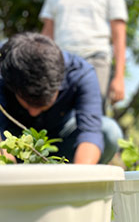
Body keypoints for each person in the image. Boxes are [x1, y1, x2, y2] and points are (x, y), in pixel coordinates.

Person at [0, 32, 123, 164]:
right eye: (28, 103)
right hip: (13, 141)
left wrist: (77, 180)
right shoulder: (5, 68)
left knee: (109, 131)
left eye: (42, 105)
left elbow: (90, 134)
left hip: (62, 142)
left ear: (59, 83)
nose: (33, 112)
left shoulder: (81, 73)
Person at [39, 0, 128, 111]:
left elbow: (119, 37)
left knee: (91, 114)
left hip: (96, 61)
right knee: (57, 115)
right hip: (60, 62)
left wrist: (119, 78)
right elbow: (47, 34)